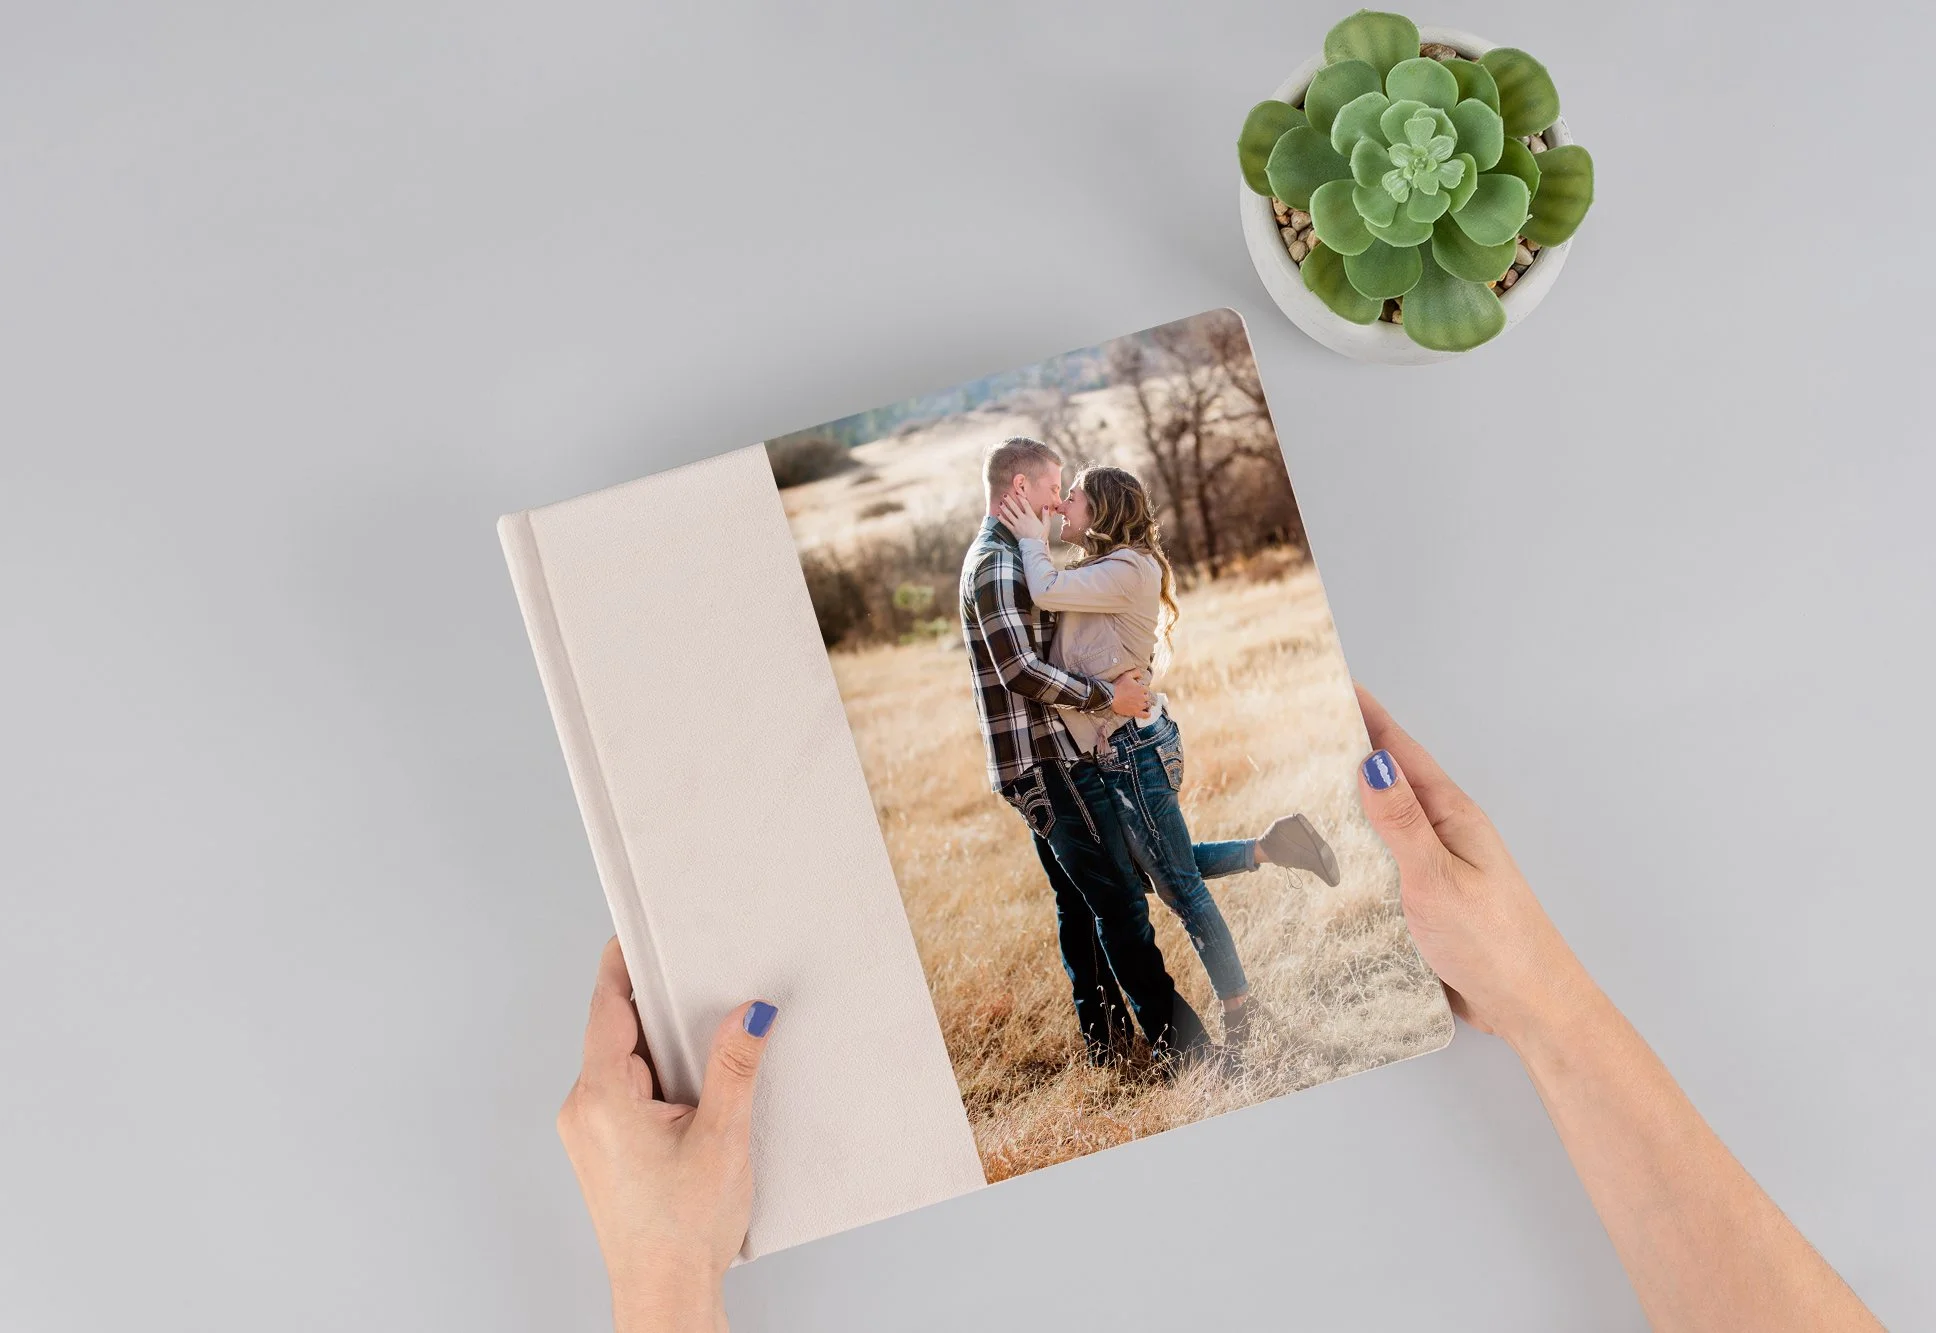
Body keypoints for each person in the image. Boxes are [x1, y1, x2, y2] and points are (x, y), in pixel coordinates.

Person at [556, 686, 1885, 1333]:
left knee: (1150, 880)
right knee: (1137, 882)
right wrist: (1547, 1006)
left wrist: (663, 1274)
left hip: (1115, 758)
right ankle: (1249, 902)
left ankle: (1226, 969)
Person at [997, 465, 1341, 1048]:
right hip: (1112, 750)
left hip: (1134, 750)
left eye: (1072, 497)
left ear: (1102, 508)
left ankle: (1241, 1013)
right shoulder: (1102, 569)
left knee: (1179, 886)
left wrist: (1030, 536)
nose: (1062, 506)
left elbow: (1046, 590)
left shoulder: (1131, 567)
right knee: (1146, 874)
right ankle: (1270, 846)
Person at [954, 437, 1211, 1066]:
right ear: (1020, 489)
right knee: (1120, 898)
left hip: (1050, 754)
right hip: (1044, 760)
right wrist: (1108, 697)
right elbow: (1019, 669)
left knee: (1079, 899)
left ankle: (1106, 1045)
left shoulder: (1013, 555)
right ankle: (1185, 1051)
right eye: (1052, 487)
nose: (1058, 500)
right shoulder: (996, 565)